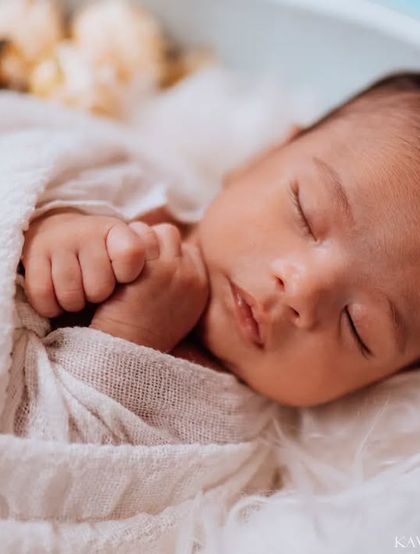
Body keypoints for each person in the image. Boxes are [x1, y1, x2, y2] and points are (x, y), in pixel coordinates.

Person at [22, 72, 420, 407]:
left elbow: (55, 476)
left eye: (357, 327)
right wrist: (42, 220)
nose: (302, 288)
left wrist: (129, 338)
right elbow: (23, 149)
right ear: (262, 156)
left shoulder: (232, 433)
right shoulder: (125, 180)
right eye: (306, 215)